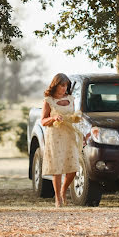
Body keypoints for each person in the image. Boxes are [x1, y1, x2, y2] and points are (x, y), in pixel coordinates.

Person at [41, 73, 80, 207]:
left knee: (73, 168)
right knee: (57, 168)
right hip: (55, 135)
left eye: (66, 86)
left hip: (69, 134)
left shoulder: (70, 98)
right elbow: (43, 121)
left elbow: (72, 116)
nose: (64, 88)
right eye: (62, 85)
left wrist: (75, 118)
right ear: (55, 85)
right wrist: (53, 118)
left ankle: (63, 190)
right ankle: (58, 199)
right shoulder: (48, 100)